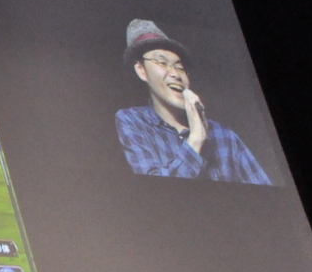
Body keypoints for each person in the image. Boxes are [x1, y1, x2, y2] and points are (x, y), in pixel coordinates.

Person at [115, 19, 271, 185]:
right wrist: (196, 138)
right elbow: (156, 191)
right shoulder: (133, 121)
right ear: (141, 70)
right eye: (162, 63)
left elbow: (267, 194)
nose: (175, 74)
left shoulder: (225, 136)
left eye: (180, 67)